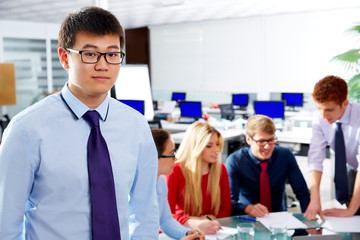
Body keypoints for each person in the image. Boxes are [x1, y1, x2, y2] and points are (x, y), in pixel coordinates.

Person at [0, 6, 159, 239]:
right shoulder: (26, 129)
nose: (103, 65)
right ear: (65, 57)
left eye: (113, 54)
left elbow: (145, 213)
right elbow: (6, 224)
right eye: (90, 54)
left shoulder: (136, 126)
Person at [225, 114, 310, 217]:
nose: (267, 146)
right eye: (261, 141)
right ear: (248, 139)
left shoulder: (285, 155)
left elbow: (303, 193)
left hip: (279, 218)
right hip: (249, 218)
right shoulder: (235, 161)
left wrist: (309, 220)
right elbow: (228, 202)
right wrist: (247, 208)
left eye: (271, 140)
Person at [304, 75, 360, 221]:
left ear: (345, 103)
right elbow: (315, 159)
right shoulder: (320, 118)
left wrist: (350, 210)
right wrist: (314, 198)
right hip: (354, 171)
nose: (324, 115)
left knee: (353, 213)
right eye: (319, 108)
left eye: (329, 109)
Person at [165, 121, 232, 235]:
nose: (216, 150)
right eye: (209, 146)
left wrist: (209, 218)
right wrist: (194, 222)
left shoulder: (221, 169)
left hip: (212, 231)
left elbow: (226, 209)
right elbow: (165, 217)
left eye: (217, 144)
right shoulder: (175, 171)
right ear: (195, 147)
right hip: (183, 232)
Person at [151, 129, 205, 240]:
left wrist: (186, 233)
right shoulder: (136, 190)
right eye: (171, 154)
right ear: (153, 157)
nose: (175, 159)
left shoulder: (160, 181)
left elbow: (165, 220)